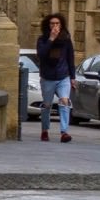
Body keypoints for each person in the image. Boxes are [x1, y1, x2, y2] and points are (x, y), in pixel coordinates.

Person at [35, 11, 76, 144]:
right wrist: (51, 39)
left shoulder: (66, 39)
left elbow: (70, 58)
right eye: (52, 23)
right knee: (47, 105)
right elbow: (41, 55)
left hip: (63, 76)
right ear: (48, 25)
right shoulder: (42, 40)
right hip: (48, 78)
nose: (55, 26)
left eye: (57, 23)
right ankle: (44, 130)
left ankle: (64, 132)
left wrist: (73, 77)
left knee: (65, 101)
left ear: (61, 25)